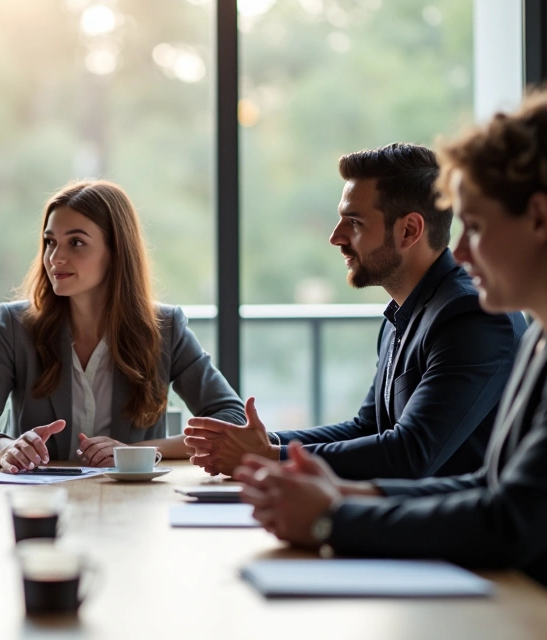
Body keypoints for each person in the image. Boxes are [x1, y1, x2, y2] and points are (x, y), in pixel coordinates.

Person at [234, 89, 547, 639]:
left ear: (539, 219)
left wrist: (330, 518)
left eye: (476, 227)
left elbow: (510, 521)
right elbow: (489, 482)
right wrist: (343, 494)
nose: (460, 254)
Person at [185, 143, 526, 480]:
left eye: (355, 223)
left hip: (453, 530)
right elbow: (366, 428)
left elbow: (411, 453)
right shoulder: (403, 314)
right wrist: (265, 444)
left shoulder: (473, 316)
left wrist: (272, 455)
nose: (336, 237)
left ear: (409, 230)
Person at [0, 180, 245, 472]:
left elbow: (233, 420)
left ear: (115, 253)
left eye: (76, 243)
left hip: (131, 507)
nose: (56, 258)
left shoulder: (165, 329)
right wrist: (6, 449)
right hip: (41, 504)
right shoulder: (14, 326)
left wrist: (138, 451)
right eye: (50, 242)